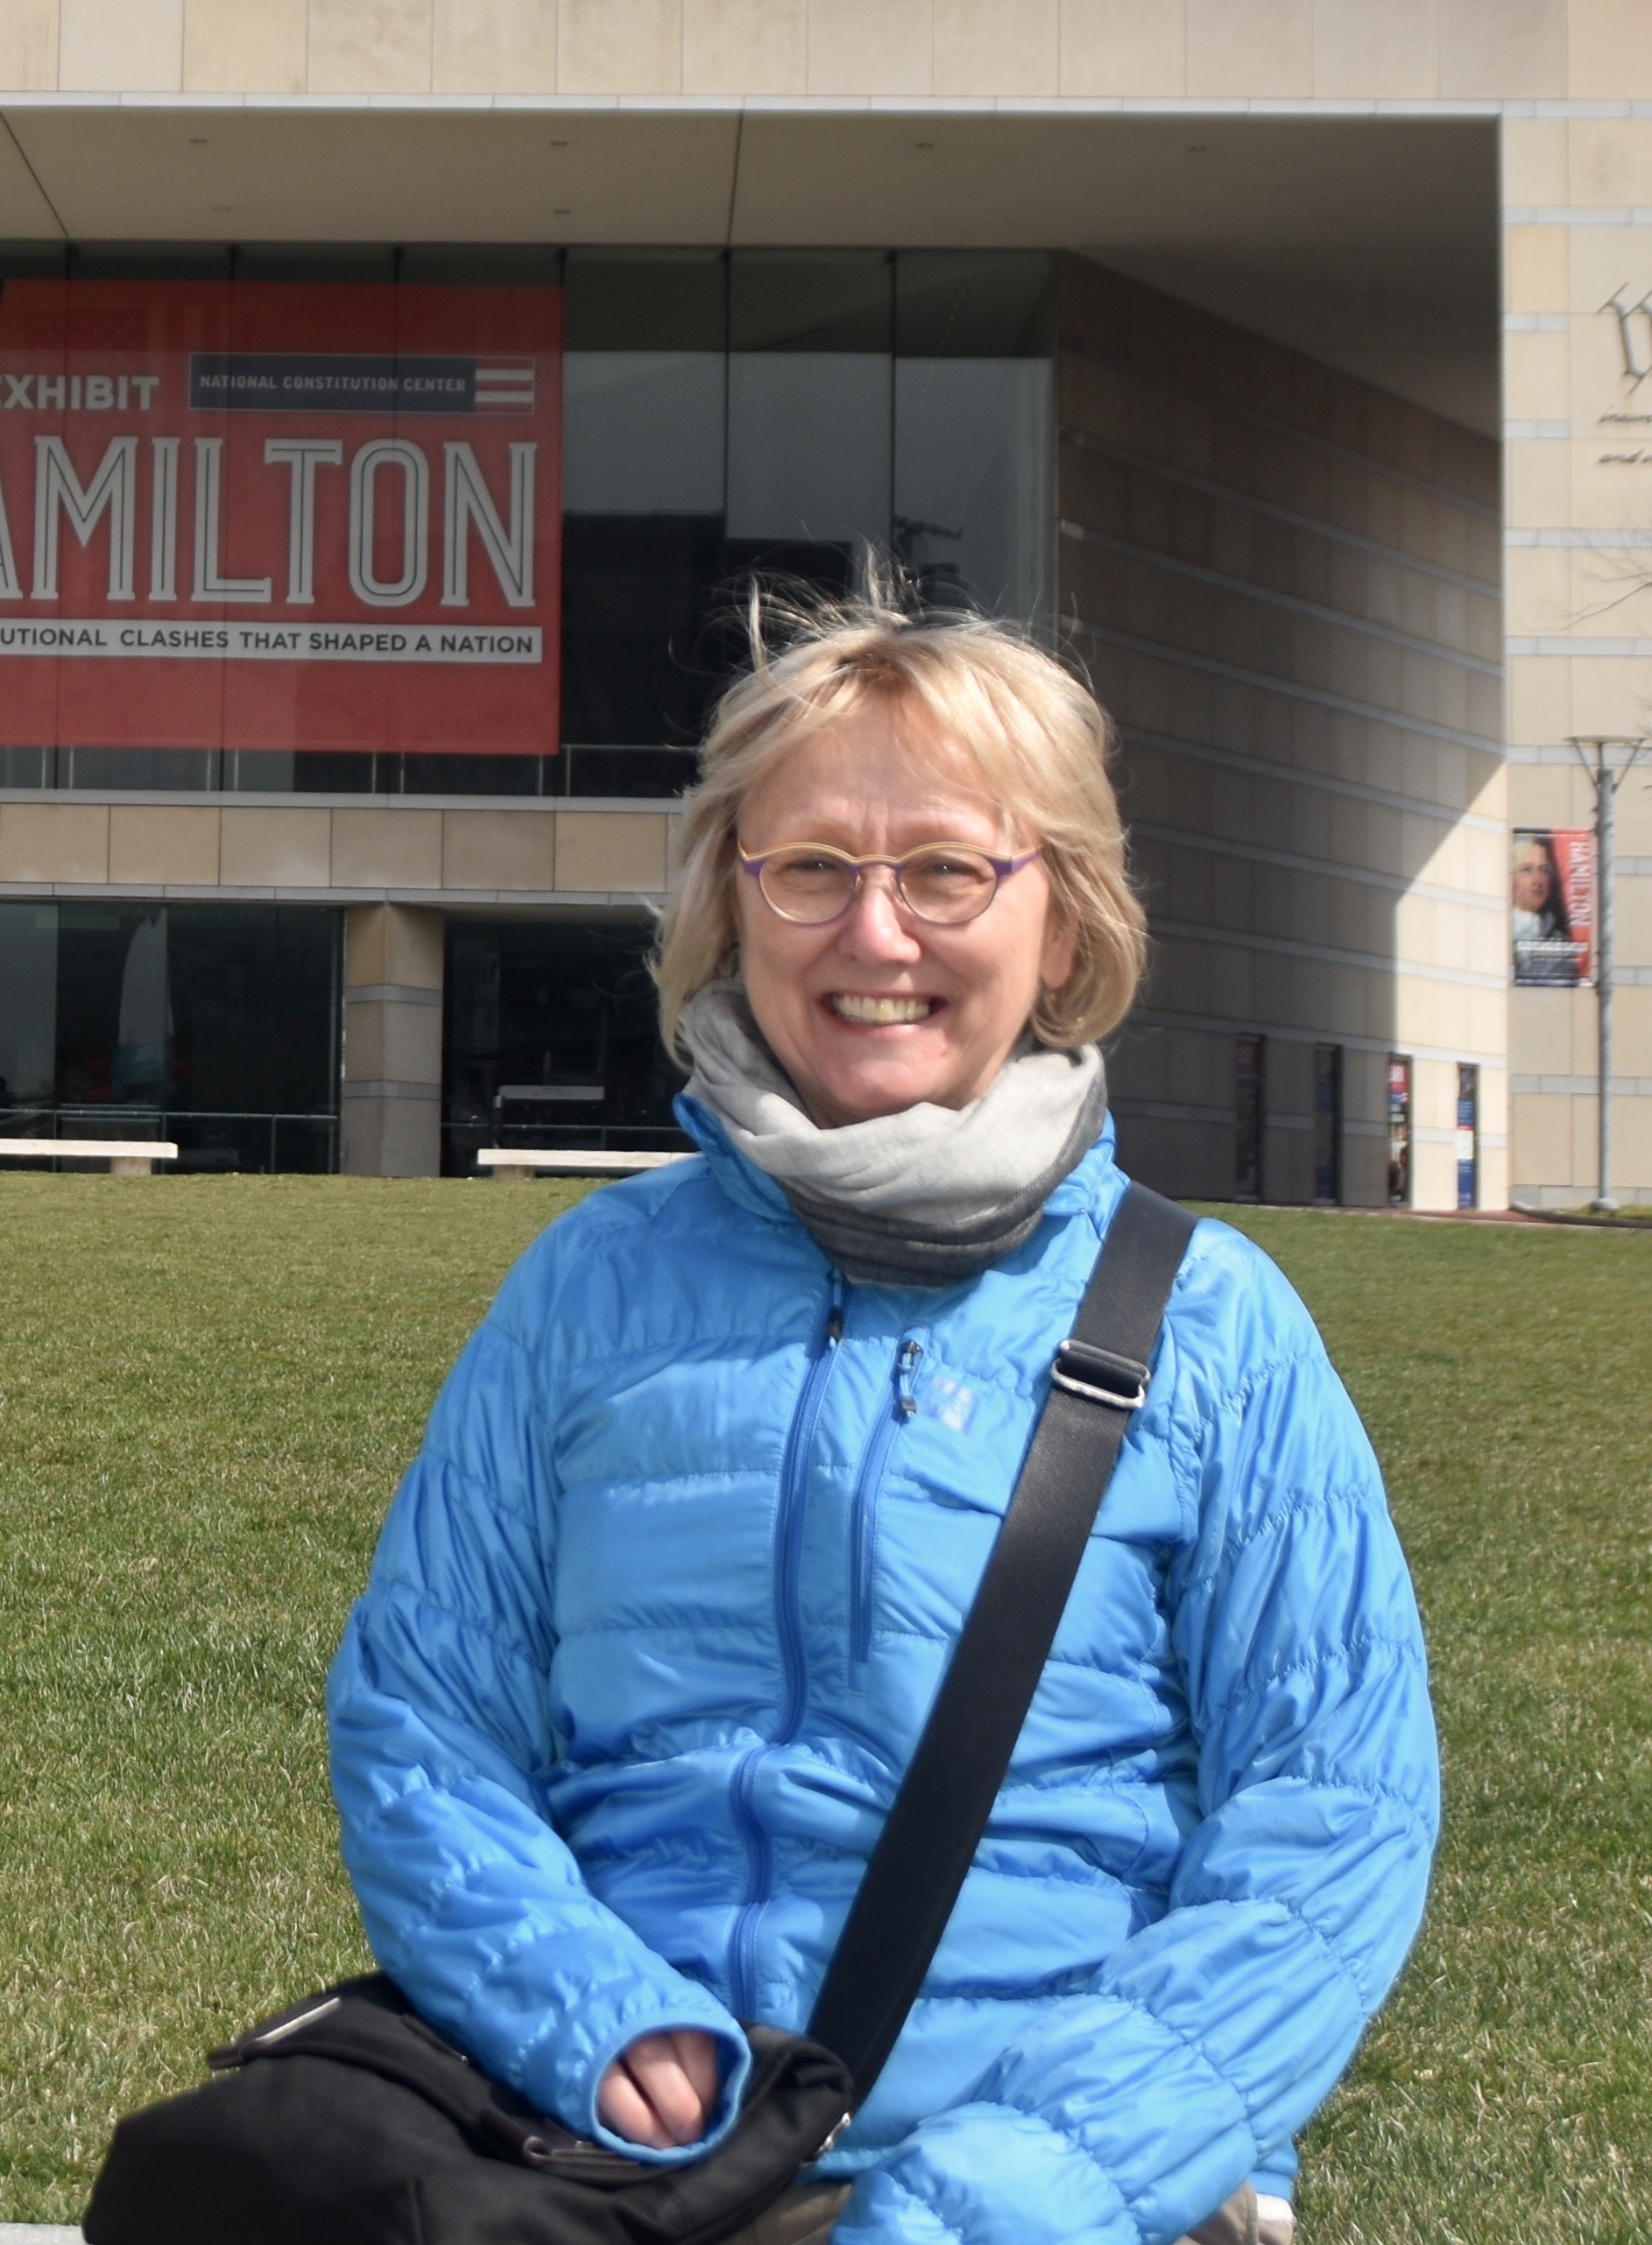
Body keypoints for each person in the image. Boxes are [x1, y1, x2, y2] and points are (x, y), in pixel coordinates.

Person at [329, 595, 1441, 2244]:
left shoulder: (1211, 1327)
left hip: (1058, 2194)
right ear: (733, 898)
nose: (875, 932)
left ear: (1062, 920)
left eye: (943, 867)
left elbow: (1336, 1815)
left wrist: (1034, 2178)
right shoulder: (588, 1291)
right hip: (627, 2167)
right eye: (812, 867)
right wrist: (592, 2013)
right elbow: (423, 1721)